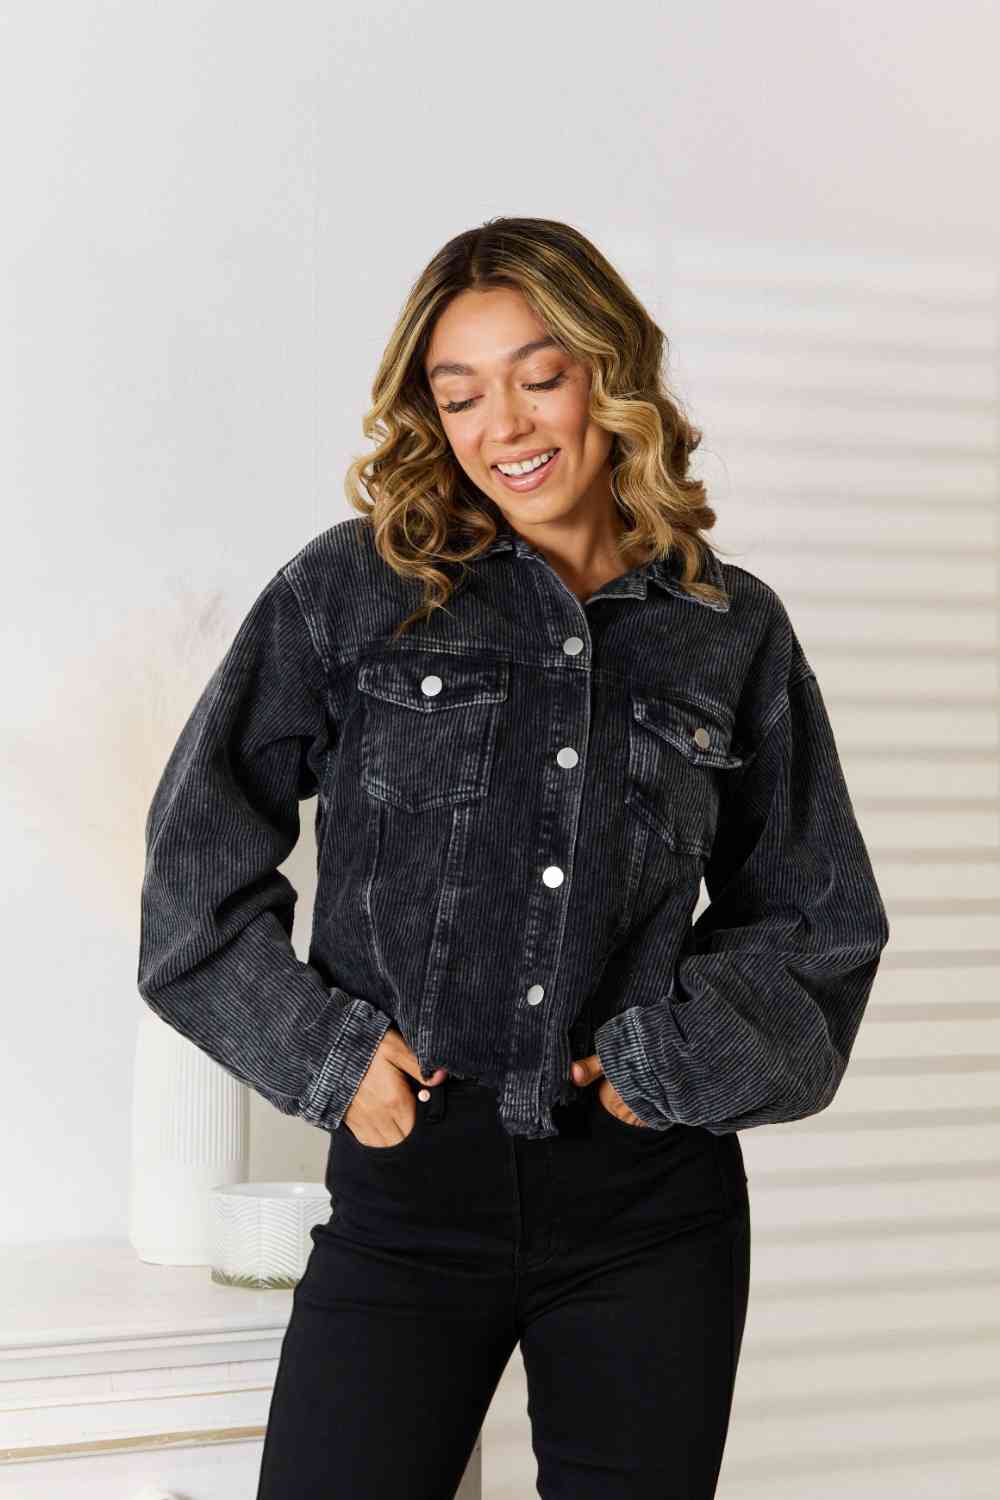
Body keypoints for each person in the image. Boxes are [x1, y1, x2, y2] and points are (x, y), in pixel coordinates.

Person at [137, 216, 890, 1499]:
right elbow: (190, 871)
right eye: (461, 394)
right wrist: (325, 1056)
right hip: (408, 1193)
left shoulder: (729, 628)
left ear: (610, 375)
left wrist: (667, 1066)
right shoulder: (356, 590)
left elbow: (820, 920)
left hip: (652, 1213)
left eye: (540, 376)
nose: (506, 426)